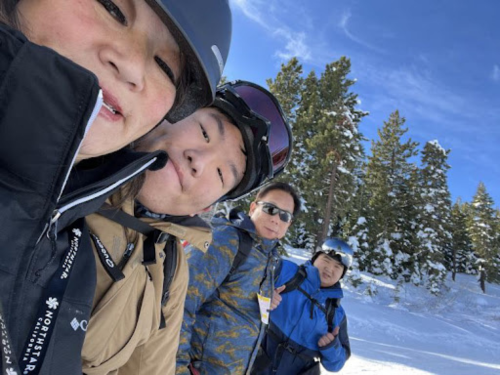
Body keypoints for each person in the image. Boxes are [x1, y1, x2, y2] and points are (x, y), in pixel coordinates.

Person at [0, 1, 232, 374]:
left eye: (164, 67)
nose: (133, 65)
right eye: (112, 8)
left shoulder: (68, 232)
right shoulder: (85, 217)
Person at [82, 80, 294, 375]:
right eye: (205, 132)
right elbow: (189, 311)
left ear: (205, 206)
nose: (200, 161)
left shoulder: (169, 267)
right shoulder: (66, 159)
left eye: (221, 173)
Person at [176, 182, 302, 375]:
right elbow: (179, 302)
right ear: (253, 207)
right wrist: (178, 368)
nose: (276, 219)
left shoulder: (267, 255)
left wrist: (267, 296)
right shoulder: (227, 239)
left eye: (284, 216)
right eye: (270, 209)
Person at [251, 238, 353, 375]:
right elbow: (245, 285)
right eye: (326, 260)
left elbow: (336, 365)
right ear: (315, 258)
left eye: (337, 267)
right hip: (257, 365)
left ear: (342, 274)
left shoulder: (336, 313)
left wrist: (331, 347)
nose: (329, 269)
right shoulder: (286, 273)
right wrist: (264, 294)